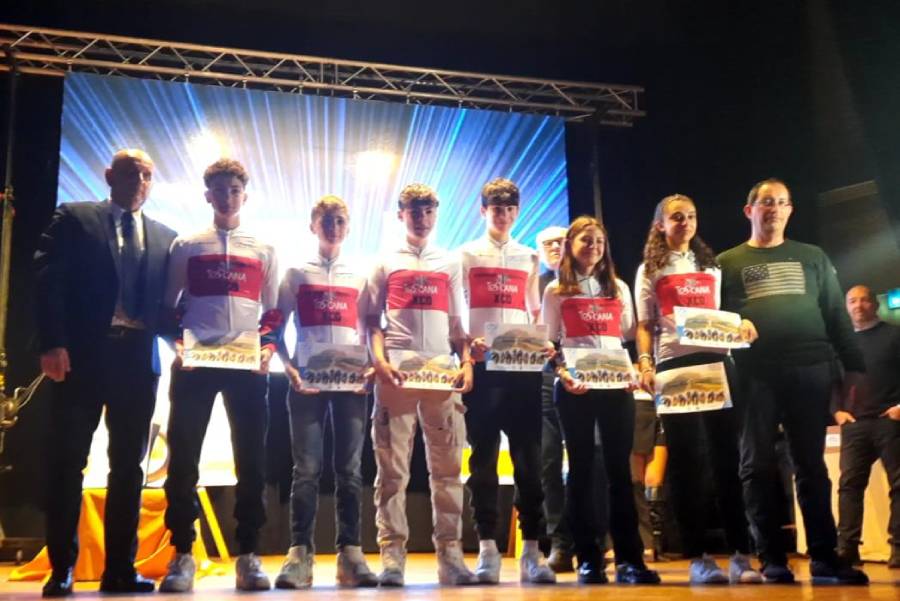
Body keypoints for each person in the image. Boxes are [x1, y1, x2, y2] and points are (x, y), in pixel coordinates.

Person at [34, 149, 176, 597]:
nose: (140, 182)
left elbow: (169, 306)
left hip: (138, 360)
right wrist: (52, 343)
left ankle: (120, 569)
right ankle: (62, 568)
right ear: (110, 175)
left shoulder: (165, 236)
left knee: (129, 468)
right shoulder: (76, 218)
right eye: (132, 173)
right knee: (68, 462)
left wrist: (194, 344)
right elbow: (48, 279)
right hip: (81, 357)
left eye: (147, 175)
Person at [718, 178, 868, 584]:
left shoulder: (812, 256)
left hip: (810, 369)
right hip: (754, 374)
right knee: (756, 464)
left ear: (790, 210)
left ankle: (824, 557)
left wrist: (854, 369)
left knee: (811, 465)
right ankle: (771, 558)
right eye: (767, 202)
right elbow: (714, 319)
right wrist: (734, 323)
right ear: (749, 210)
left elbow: (836, 315)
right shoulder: (726, 262)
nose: (775, 209)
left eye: (782, 202)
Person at [159, 159, 282, 592]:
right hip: (195, 365)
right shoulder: (187, 245)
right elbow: (167, 306)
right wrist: (178, 345)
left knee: (251, 460)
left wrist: (267, 348)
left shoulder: (263, 248)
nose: (227, 197)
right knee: (183, 459)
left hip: (245, 366)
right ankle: (182, 554)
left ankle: (248, 554)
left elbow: (273, 312)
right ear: (207, 195)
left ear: (244, 195)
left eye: (234, 190)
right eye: (219, 190)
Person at [634, 194, 761, 584]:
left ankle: (740, 554)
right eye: (676, 217)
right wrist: (645, 362)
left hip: (718, 363)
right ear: (660, 224)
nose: (685, 222)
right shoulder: (649, 269)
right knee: (687, 463)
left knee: (727, 459)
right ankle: (698, 557)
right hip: (674, 366)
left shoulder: (711, 265)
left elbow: (720, 314)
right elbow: (644, 325)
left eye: (691, 216)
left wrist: (741, 325)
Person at [366, 183, 476, 586]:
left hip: (441, 375)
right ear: (401, 215)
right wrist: (379, 362)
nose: (422, 218)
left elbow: (458, 324)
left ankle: (450, 556)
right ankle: (392, 558)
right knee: (391, 473)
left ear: (436, 214)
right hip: (396, 375)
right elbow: (371, 322)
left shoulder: (449, 262)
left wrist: (467, 363)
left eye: (428, 211)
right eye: (414, 210)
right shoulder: (384, 261)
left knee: (447, 470)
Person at [542, 215, 660, 585]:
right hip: (574, 389)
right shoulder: (556, 290)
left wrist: (631, 372)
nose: (593, 247)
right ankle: (589, 559)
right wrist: (563, 373)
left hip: (615, 389)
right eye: (585, 240)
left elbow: (624, 338)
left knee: (620, 473)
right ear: (570, 246)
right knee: (580, 471)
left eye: (599, 241)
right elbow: (550, 343)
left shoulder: (618, 287)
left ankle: (630, 559)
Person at [272, 195, 378, 588]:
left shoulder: (359, 275)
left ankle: (350, 555)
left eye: (340, 221)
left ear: (348, 227)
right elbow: (275, 327)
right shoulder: (296, 273)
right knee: (306, 470)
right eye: (326, 220)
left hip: (351, 384)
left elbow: (369, 329)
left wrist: (371, 365)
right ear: (312, 225)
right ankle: (299, 555)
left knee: (350, 471)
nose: (333, 227)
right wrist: (288, 368)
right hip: (307, 383)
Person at [458, 179, 555, 584]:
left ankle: (531, 551)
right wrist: (468, 347)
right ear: (483, 210)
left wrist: (543, 342)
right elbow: (458, 311)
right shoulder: (465, 255)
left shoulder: (528, 256)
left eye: (510, 207)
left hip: (522, 370)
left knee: (529, 462)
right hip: (483, 371)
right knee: (482, 462)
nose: (504, 214)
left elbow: (534, 312)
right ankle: (487, 550)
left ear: (517, 211)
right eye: (496, 207)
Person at [836, 285, 900, 567]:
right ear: (846, 307)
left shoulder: (894, 335)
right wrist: (836, 411)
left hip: (890, 421)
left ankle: (898, 549)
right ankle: (847, 549)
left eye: (864, 300)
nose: (858, 305)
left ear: (875, 304)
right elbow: (832, 378)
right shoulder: (840, 343)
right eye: (852, 301)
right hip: (854, 424)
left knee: (899, 486)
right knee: (849, 487)